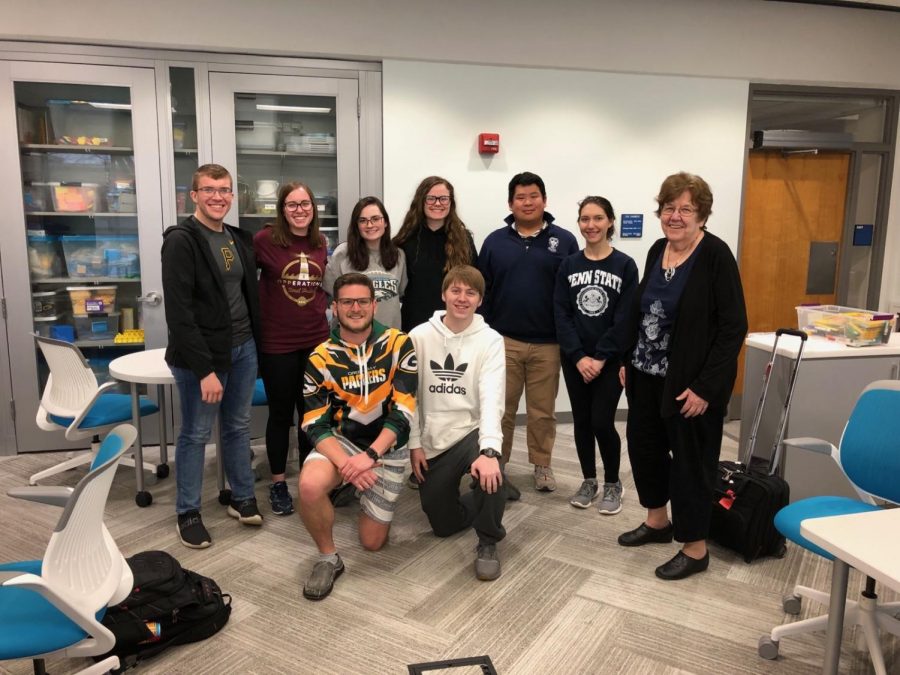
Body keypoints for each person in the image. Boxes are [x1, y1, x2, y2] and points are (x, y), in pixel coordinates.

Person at [618, 172, 747, 581]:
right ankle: (658, 521)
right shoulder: (657, 250)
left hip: (690, 386)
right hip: (645, 375)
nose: (675, 216)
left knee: (691, 464)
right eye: (669, 208)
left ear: (702, 215)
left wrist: (706, 387)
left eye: (685, 209)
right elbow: (644, 311)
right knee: (644, 449)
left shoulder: (715, 255)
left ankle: (695, 548)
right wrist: (627, 358)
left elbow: (733, 327)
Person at [297, 272, 417, 600]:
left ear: (374, 306)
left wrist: (371, 457)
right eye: (347, 302)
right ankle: (328, 557)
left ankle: (359, 492)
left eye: (362, 301)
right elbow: (314, 422)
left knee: (372, 542)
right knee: (309, 486)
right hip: (344, 442)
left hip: (385, 447)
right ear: (334, 307)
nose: (355, 308)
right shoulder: (320, 356)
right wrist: (348, 463)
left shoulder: (398, 343)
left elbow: (403, 413)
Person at [162, 163, 263, 549]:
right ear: (194, 195)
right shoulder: (181, 240)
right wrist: (204, 370)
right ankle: (187, 512)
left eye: (224, 190)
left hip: (242, 348)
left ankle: (240, 496)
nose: (218, 197)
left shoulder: (237, 238)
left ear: (232, 196)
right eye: (209, 190)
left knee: (237, 426)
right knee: (195, 433)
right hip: (201, 358)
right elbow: (179, 313)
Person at [478, 171, 578, 493]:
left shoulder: (564, 241)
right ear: (511, 203)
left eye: (533, 196)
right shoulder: (495, 241)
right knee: (500, 409)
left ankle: (542, 464)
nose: (527, 202)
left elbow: (571, 292)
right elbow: (483, 291)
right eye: (520, 197)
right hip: (502, 341)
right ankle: (499, 462)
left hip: (548, 344)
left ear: (544, 200)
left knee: (542, 411)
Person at [408, 265, 507, 580]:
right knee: (443, 526)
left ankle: (489, 539)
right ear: (443, 294)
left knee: (492, 472)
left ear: (480, 300)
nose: (462, 298)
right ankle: (494, 493)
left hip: (471, 433)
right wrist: (414, 445)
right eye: (456, 290)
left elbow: (492, 396)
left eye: (471, 292)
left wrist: (490, 451)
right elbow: (408, 397)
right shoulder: (419, 336)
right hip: (433, 438)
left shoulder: (490, 340)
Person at [554, 196, 638, 514]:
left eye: (598, 218)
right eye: (585, 219)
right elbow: (561, 314)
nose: (591, 225)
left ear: (610, 222)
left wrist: (601, 357)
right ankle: (589, 480)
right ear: (579, 223)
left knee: (602, 421)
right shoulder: (569, 265)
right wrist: (577, 357)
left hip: (609, 361)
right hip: (576, 359)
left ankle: (613, 483)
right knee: (582, 421)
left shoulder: (625, 265)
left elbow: (625, 318)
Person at [253, 181, 329, 516]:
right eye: (292, 204)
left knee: (311, 416)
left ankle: (311, 481)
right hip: (278, 343)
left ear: (314, 209)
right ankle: (280, 483)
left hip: (315, 340)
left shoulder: (320, 242)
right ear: (282, 210)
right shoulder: (265, 241)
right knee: (281, 416)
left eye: (306, 204)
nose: (300, 210)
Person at [393, 176, 477, 333]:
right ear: (421, 201)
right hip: (414, 324)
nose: (438, 203)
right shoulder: (404, 240)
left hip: (453, 325)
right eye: (431, 198)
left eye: (443, 198)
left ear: (451, 202)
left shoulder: (464, 240)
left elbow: (474, 284)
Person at [323, 196, 407, 329]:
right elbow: (331, 294)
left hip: (389, 338)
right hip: (351, 337)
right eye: (363, 220)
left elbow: (400, 293)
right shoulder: (342, 254)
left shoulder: (399, 255)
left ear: (385, 222)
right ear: (357, 225)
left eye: (375, 219)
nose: (370, 225)